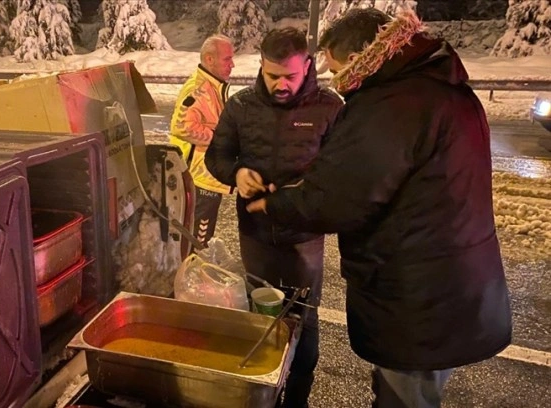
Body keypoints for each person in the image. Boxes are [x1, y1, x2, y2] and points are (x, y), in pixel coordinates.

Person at [246, 9, 512, 408]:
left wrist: (275, 202)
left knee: (405, 396)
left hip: (418, 293)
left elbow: (339, 196)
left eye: (338, 70)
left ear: (358, 59)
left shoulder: (392, 103)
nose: (339, 83)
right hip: (452, 280)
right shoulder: (439, 86)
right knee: (415, 389)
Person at [205, 28, 343, 408]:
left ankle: (298, 396)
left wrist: (310, 190)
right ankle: (262, 393)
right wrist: (235, 173)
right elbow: (215, 156)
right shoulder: (241, 106)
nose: (281, 85)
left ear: (308, 67)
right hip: (255, 232)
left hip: (304, 235)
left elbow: (342, 173)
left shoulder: (330, 107)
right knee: (259, 314)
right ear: (261, 67)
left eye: (291, 76)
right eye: (272, 76)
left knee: (304, 317)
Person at [169, 34, 235, 249]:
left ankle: (195, 273)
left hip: (208, 174)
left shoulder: (213, 86)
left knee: (201, 237)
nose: (232, 65)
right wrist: (220, 139)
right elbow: (181, 127)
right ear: (209, 59)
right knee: (197, 241)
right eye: (227, 59)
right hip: (199, 177)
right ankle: (192, 277)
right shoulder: (199, 90)